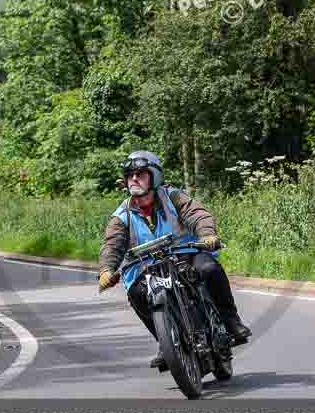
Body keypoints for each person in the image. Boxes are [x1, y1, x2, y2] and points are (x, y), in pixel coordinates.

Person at [98, 150, 252, 370]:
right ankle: (166, 342)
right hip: (151, 266)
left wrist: (207, 234)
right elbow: (112, 244)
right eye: (130, 175)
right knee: (136, 293)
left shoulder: (172, 197)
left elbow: (197, 214)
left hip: (186, 254)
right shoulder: (121, 215)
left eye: (140, 174)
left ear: (154, 176)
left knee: (208, 268)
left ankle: (230, 320)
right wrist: (106, 270)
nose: (134, 179)